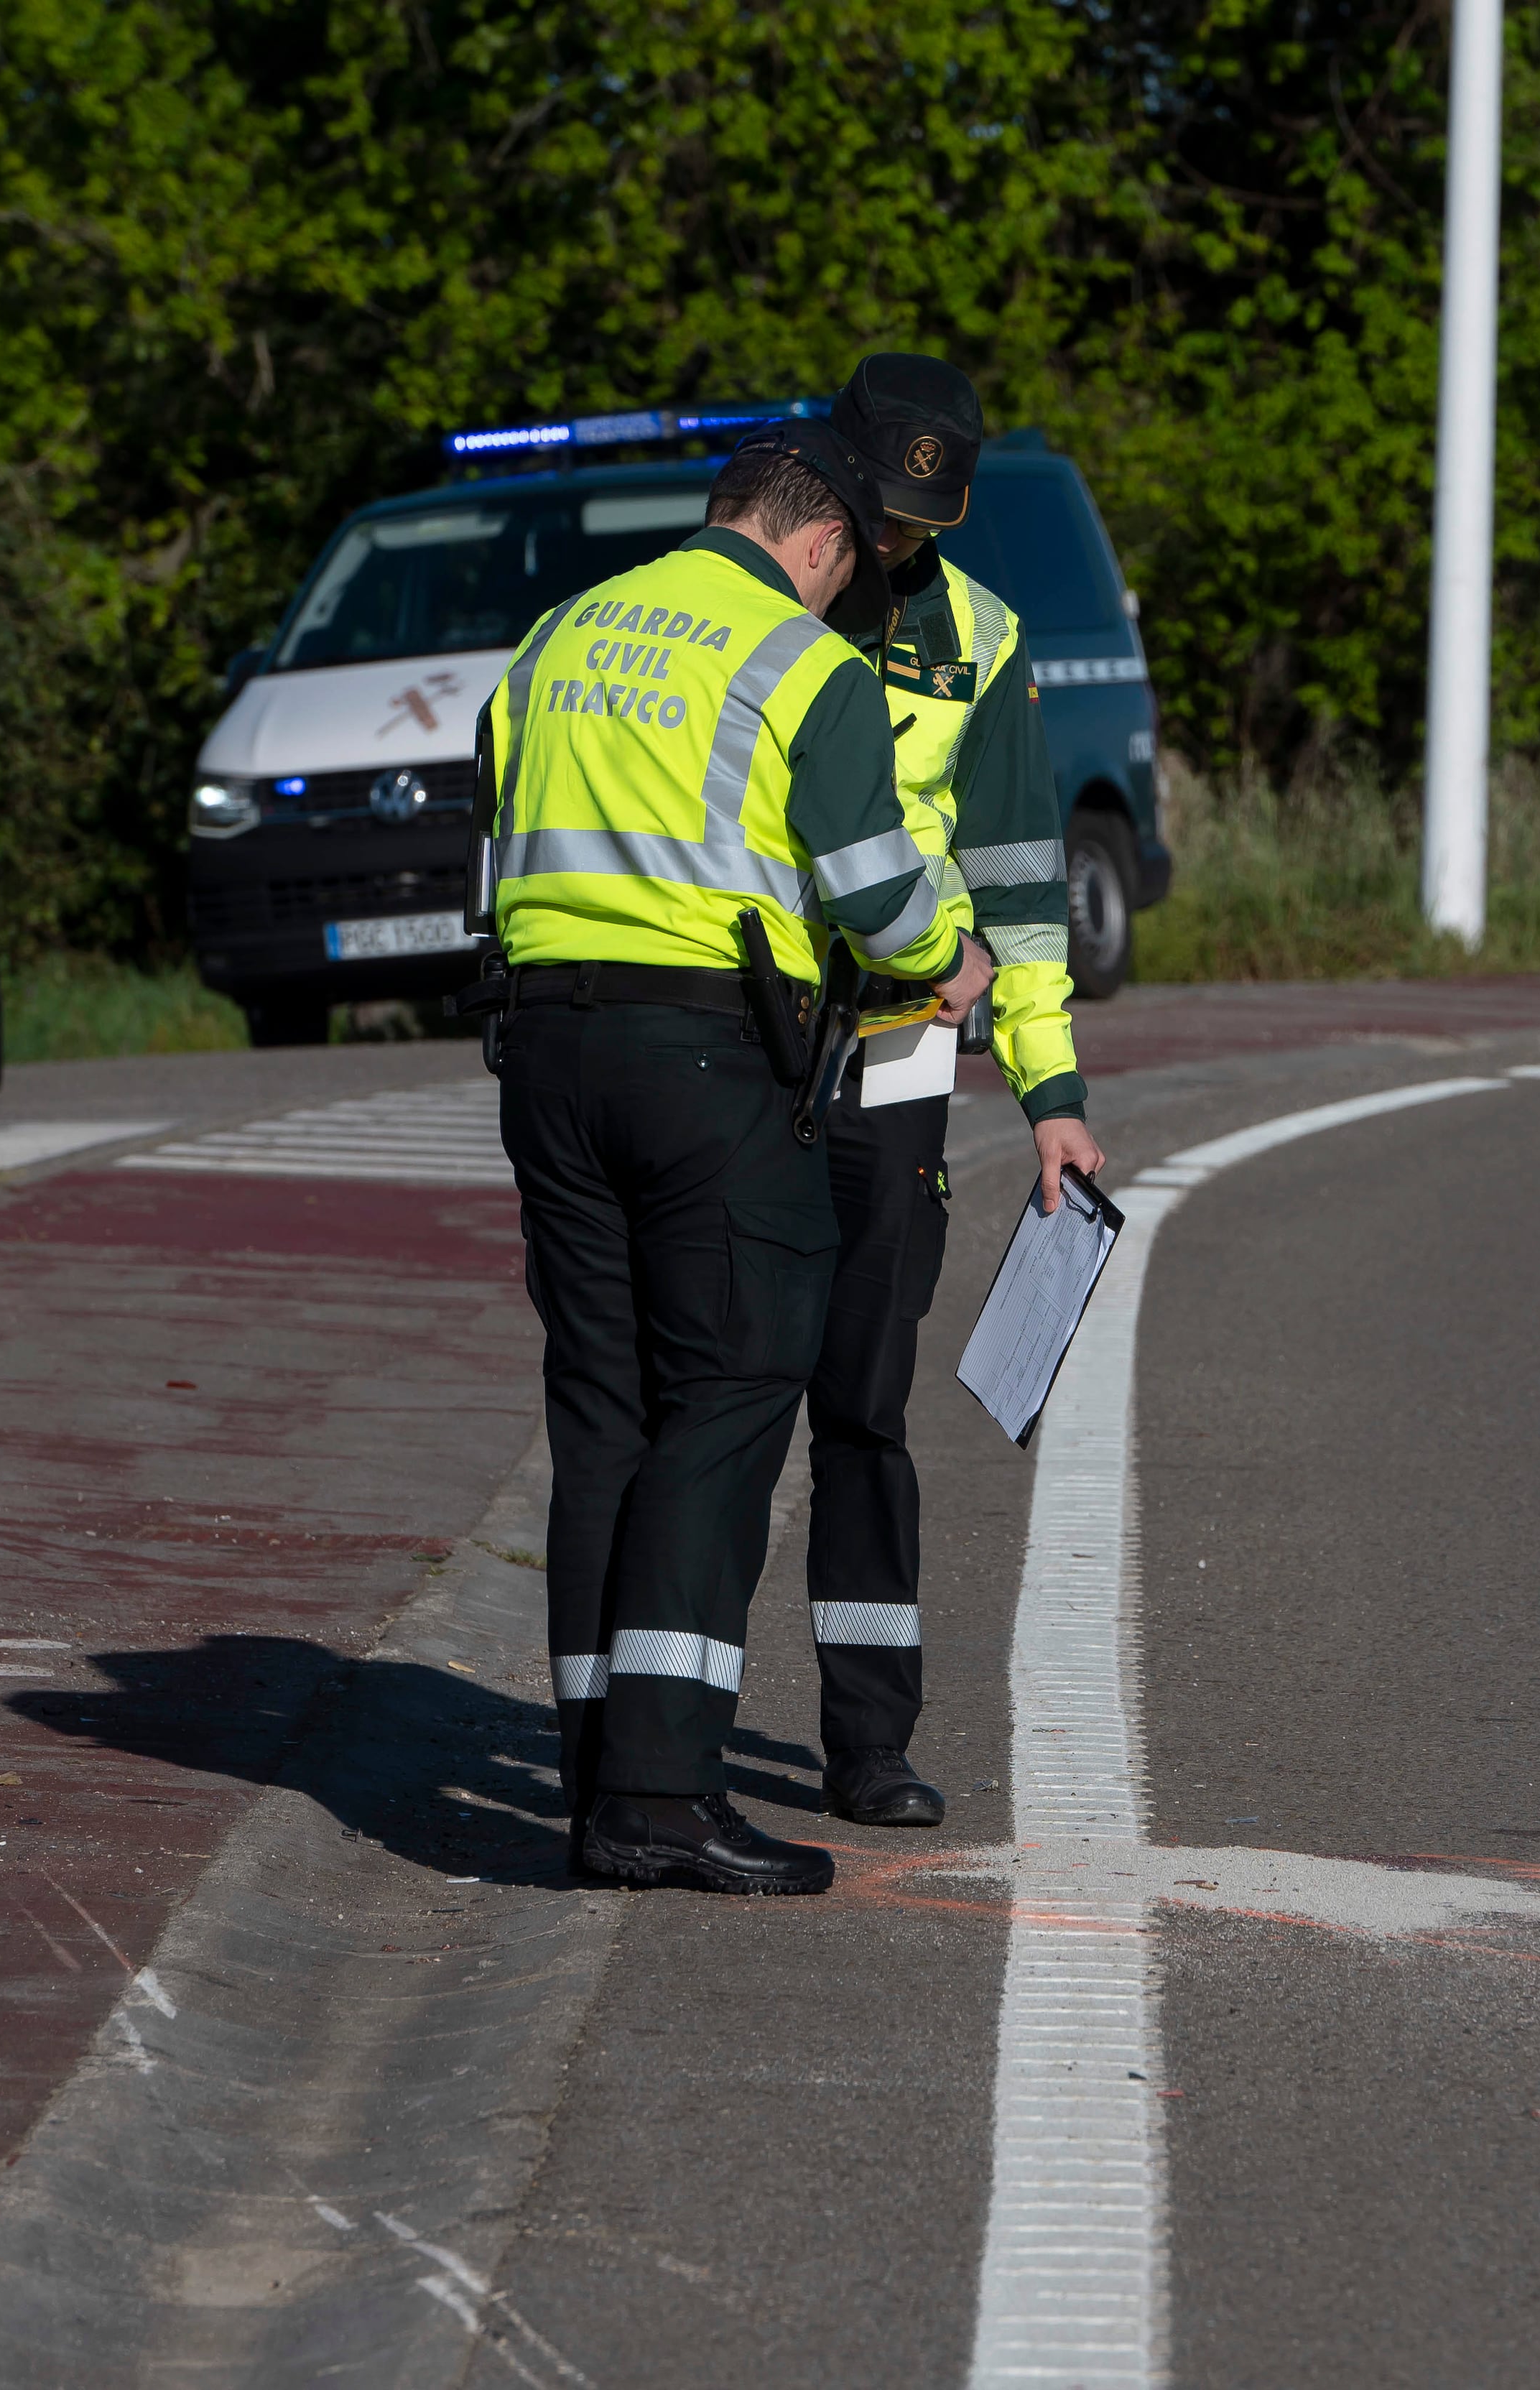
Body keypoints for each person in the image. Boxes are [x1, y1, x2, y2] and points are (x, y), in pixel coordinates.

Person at [479, 421, 991, 1894]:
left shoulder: (556, 635)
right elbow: (878, 895)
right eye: (848, 573)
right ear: (821, 542)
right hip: (703, 1057)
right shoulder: (801, 664)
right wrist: (951, 962)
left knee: (606, 1412)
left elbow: (493, 835)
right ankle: (661, 1789)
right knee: (739, 1380)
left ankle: (595, 1762)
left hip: (544, 1049)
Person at [797, 353, 1106, 1829]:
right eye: (885, 510)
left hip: (903, 1048)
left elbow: (1023, 893)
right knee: (720, 1400)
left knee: (865, 1402)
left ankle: (868, 1740)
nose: (903, 542)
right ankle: (663, 1734)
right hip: (742, 1043)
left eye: (928, 517)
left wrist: (1048, 1091)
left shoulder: (981, 639)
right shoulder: (756, 600)